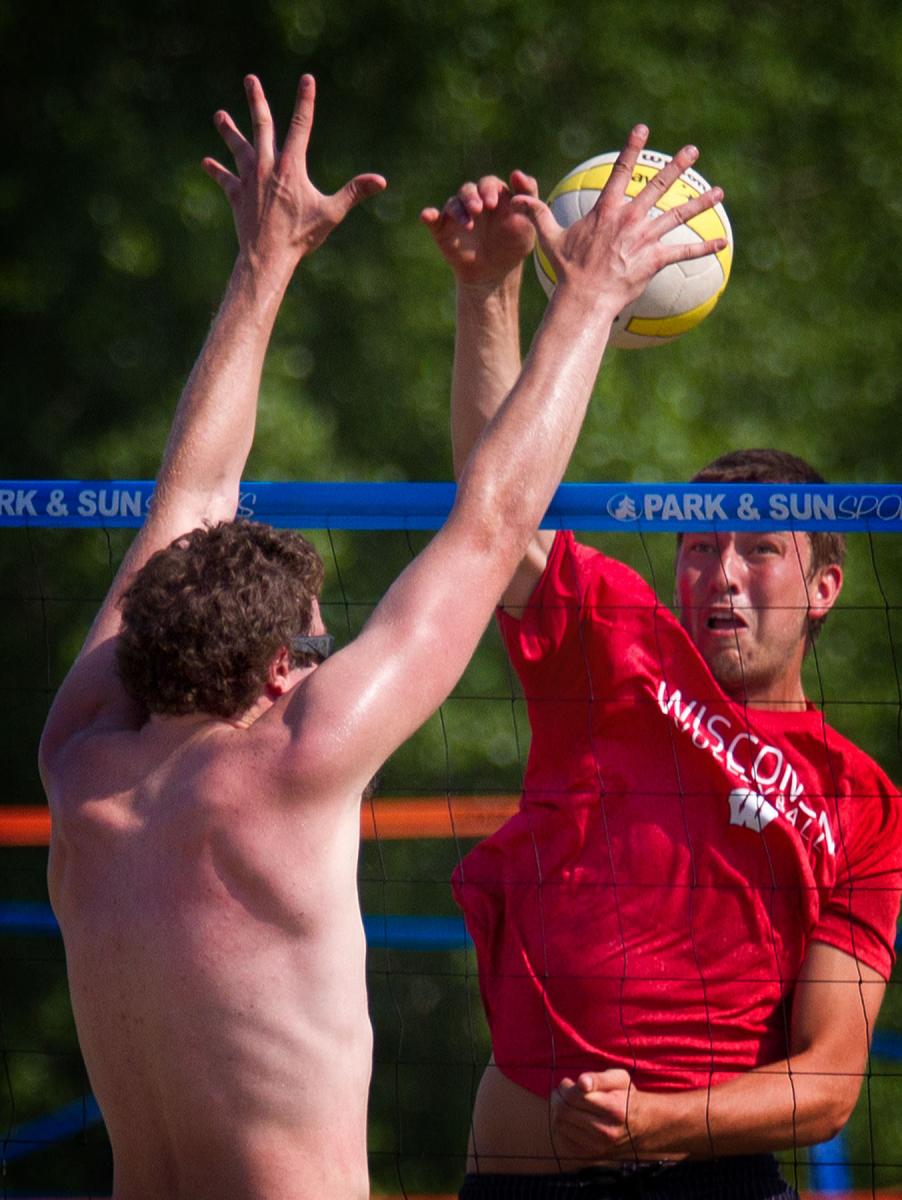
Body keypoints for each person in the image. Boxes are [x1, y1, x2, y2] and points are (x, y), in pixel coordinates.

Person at [37, 73, 726, 1200]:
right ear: (274, 675)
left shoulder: (79, 760)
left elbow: (188, 492)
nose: (323, 663)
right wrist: (589, 295)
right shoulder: (291, 765)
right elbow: (493, 521)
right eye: (315, 649)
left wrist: (265, 264)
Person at [424, 170, 902, 1199]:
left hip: (709, 1176)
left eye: (756, 550)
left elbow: (824, 1084)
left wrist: (653, 1123)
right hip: (521, 1177)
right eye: (694, 547)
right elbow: (492, 514)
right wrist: (487, 292)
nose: (717, 573)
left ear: (824, 587)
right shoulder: (615, 642)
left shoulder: (861, 799)